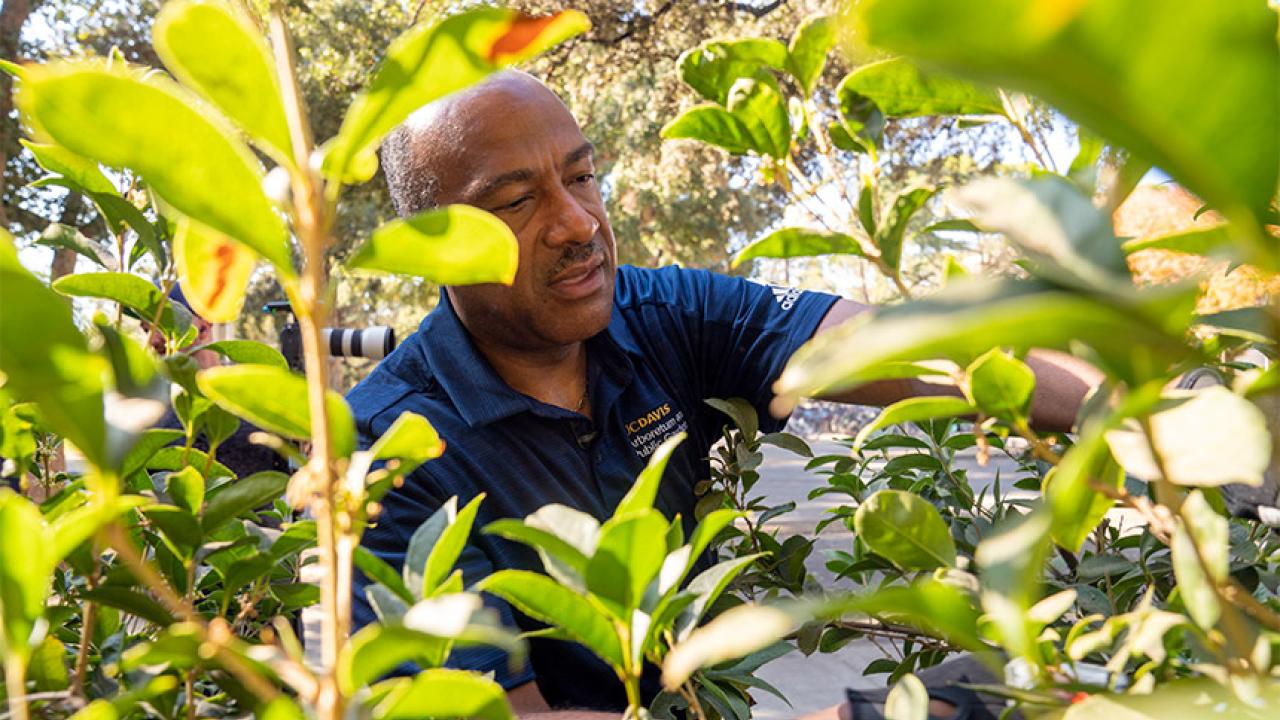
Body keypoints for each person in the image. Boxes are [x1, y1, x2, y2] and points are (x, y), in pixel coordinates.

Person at [345, 70, 1098, 718]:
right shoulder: (382, 450)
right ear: (431, 247)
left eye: (580, 176)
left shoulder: (668, 314)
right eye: (516, 202)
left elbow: (899, 345)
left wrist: (1141, 400)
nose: (578, 224)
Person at [142, 287, 289, 479]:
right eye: (146, 330)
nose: (152, 340)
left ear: (204, 326)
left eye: (162, 325)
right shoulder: (147, 409)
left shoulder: (254, 395)